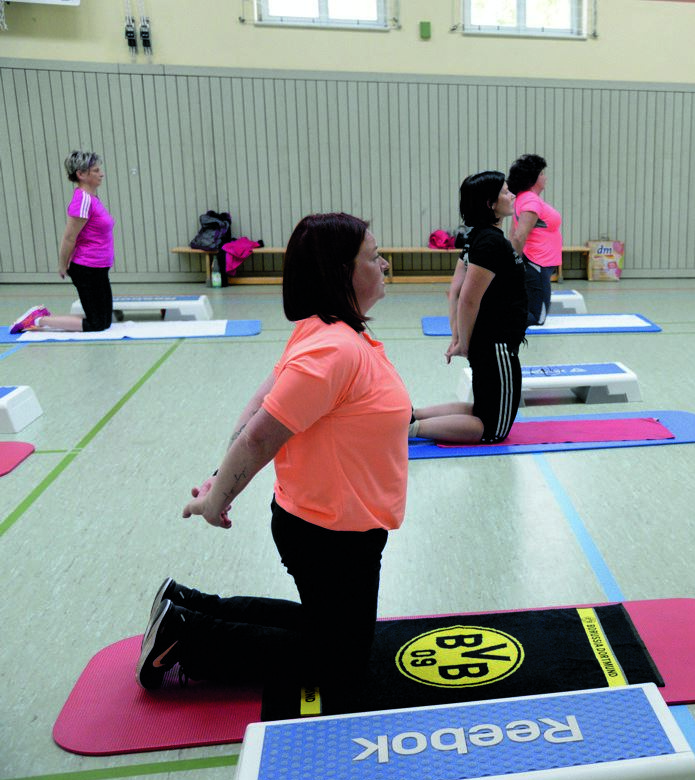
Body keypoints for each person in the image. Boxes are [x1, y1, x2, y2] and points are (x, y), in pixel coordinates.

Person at [137, 213, 410, 716]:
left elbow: (261, 406)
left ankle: (190, 607)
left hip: (334, 524)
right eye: (374, 257)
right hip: (330, 534)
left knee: (326, 627)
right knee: (340, 661)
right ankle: (187, 638)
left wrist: (219, 478)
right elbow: (261, 434)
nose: (385, 264)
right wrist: (218, 497)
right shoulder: (333, 349)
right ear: (342, 273)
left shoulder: (327, 332)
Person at [410, 171, 528, 444]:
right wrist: (463, 342)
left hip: (488, 342)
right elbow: (467, 299)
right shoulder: (490, 242)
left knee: (482, 408)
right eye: (505, 192)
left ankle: (411, 416)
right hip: (496, 344)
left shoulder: (476, 237)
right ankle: (409, 430)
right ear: (490, 203)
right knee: (493, 429)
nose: (512, 195)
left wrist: (459, 337)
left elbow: (454, 292)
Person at [9, 151, 116, 335]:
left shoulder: (92, 198)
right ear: (81, 174)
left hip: (99, 268)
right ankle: (37, 319)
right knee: (96, 324)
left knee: (105, 321)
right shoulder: (82, 200)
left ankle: (41, 316)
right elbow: (69, 237)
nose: (101, 174)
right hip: (87, 269)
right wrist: (62, 264)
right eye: (96, 170)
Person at [507, 154, 563, 327]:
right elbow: (518, 236)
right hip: (537, 264)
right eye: (542, 174)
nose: (545, 177)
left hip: (537, 264)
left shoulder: (523, 199)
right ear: (533, 179)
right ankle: (493, 322)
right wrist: (515, 265)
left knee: (530, 307)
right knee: (538, 318)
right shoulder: (531, 201)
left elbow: (512, 233)